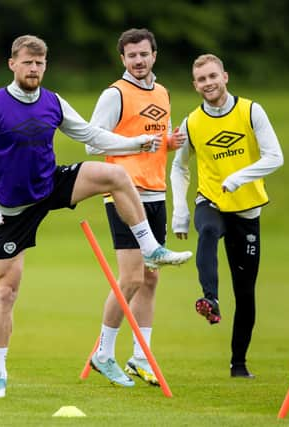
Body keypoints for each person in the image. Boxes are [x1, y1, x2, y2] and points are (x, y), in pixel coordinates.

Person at [0, 34, 192, 398]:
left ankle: (150, 248)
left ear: (45, 66)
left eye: (39, 63)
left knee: (115, 175)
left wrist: (132, 144)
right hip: (10, 208)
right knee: (6, 292)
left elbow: (90, 134)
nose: (33, 69)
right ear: (12, 64)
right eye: (27, 62)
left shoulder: (53, 102)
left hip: (51, 184)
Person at [170, 54, 283, 378]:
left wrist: (239, 178)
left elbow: (275, 156)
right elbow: (179, 167)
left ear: (225, 77)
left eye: (212, 76)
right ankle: (210, 300)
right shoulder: (192, 122)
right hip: (212, 201)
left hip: (246, 209)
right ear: (195, 85)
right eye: (202, 79)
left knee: (245, 293)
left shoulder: (250, 110)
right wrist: (180, 211)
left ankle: (239, 363)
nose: (208, 83)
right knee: (206, 231)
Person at [86, 28, 186, 387]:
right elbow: (92, 143)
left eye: (144, 54)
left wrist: (171, 143)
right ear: (123, 59)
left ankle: (141, 357)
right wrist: (134, 144)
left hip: (156, 193)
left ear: (154, 55)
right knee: (129, 278)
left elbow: (157, 142)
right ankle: (104, 353)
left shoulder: (162, 92)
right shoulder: (115, 94)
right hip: (124, 193)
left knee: (150, 278)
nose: (138, 61)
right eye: (132, 56)